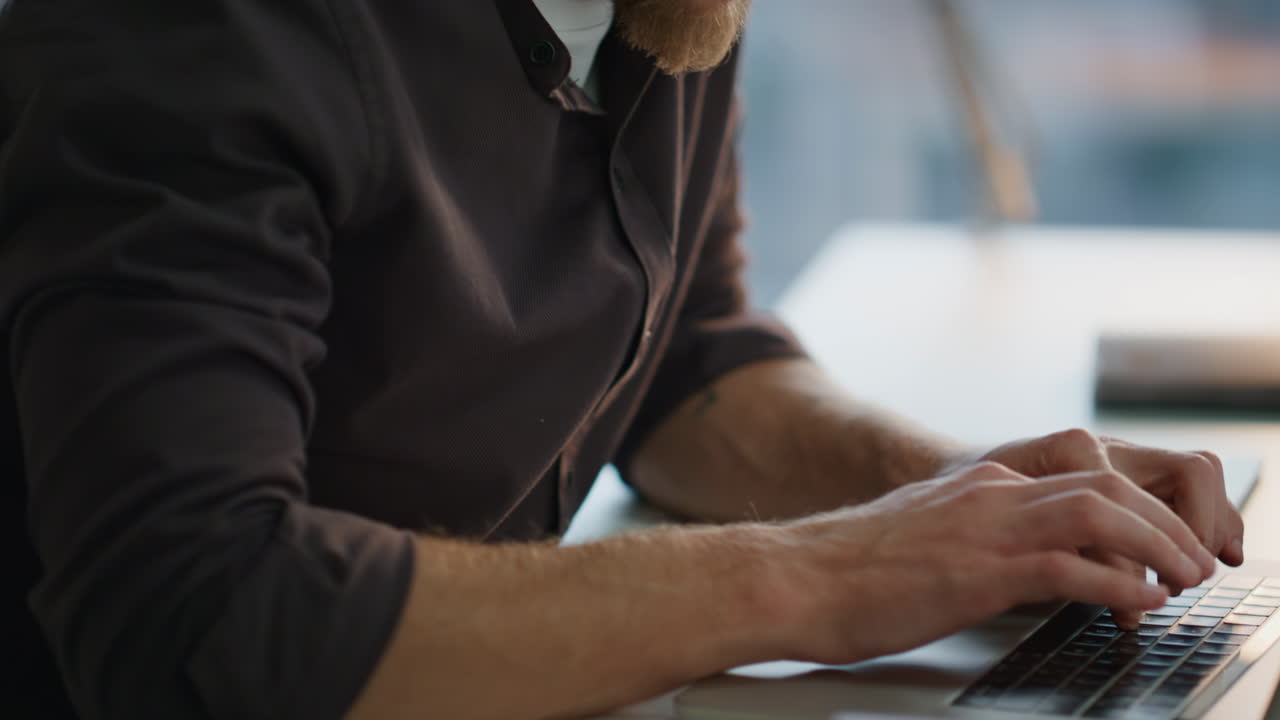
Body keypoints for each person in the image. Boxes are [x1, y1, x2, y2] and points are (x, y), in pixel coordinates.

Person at [0, 1, 1243, 719]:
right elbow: (189, 608)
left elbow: (682, 359)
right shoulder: (204, 28)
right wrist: (825, 576)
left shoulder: (675, 13)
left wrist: (979, 507)